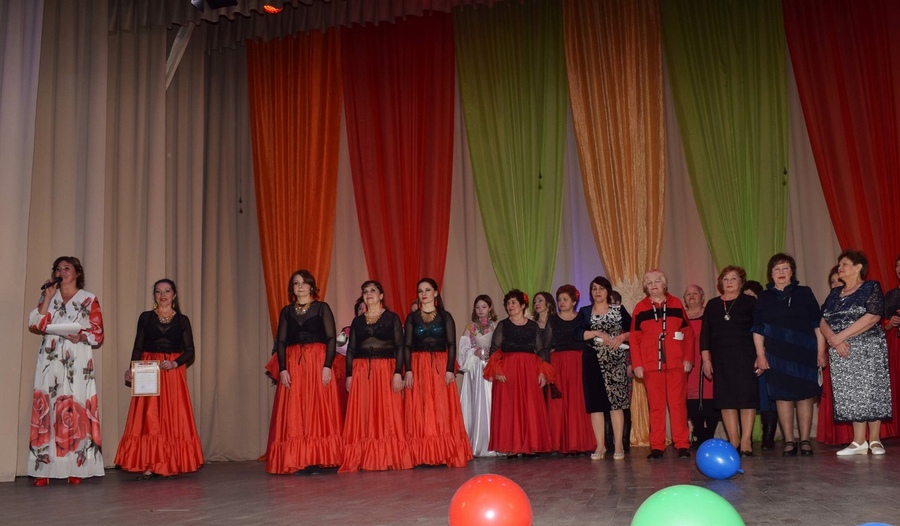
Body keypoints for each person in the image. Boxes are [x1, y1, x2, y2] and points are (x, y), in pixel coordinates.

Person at [28, 256, 105, 486]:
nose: (61, 272)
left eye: (67, 268)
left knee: (74, 407)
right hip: (51, 356)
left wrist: (81, 336)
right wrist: (47, 297)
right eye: (58, 269)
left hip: (77, 356)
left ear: (77, 273)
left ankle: (76, 468)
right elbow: (36, 325)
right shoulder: (49, 296)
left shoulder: (88, 298)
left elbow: (98, 333)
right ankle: (45, 469)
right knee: (49, 407)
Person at [116, 278, 203, 478]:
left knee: (172, 417)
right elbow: (138, 346)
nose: (162, 295)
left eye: (167, 291)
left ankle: (170, 463)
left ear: (174, 295)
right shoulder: (145, 317)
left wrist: (175, 363)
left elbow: (190, 351)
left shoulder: (183, 320)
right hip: (148, 370)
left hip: (172, 373)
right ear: (154, 295)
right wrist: (132, 369)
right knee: (149, 417)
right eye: (158, 291)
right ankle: (149, 464)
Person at [261, 270, 342, 474]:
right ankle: (298, 458)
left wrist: (327, 365)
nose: (300, 286)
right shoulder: (287, 312)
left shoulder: (322, 308)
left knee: (316, 407)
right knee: (296, 410)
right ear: (292, 288)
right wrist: (282, 369)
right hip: (294, 364)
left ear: (311, 286)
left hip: (317, 362)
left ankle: (316, 458)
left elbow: (331, 338)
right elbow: (281, 341)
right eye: (296, 283)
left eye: (304, 282)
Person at [820, 250, 892, 456]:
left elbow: (873, 316)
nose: (840, 267)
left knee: (872, 391)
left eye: (845, 264)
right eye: (839, 264)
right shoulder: (835, 293)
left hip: (868, 349)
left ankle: (875, 440)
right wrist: (833, 339)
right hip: (841, 351)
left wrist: (840, 336)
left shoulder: (871, 287)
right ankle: (858, 441)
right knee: (851, 394)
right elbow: (823, 320)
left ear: (859, 267)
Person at [752, 254, 825, 456]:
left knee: (805, 397)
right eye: (777, 269)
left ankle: (805, 440)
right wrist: (760, 355)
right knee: (782, 398)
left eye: (785, 268)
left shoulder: (805, 292)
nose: (781, 272)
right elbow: (758, 328)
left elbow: (817, 324)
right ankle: (789, 441)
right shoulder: (764, 297)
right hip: (776, 354)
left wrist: (821, 351)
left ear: (792, 272)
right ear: (771, 274)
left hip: (804, 353)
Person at [340, 280, 412, 471]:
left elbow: (400, 347)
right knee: (363, 412)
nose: (369, 293)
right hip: (362, 371)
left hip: (385, 370)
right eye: (365, 291)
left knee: (388, 413)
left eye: (373, 290)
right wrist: (349, 375)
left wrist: (398, 373)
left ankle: (389, 456)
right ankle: (363, 457)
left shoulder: (392, 318)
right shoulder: (357, 321)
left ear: (381, 296)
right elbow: (351, 349)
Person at [402, 278, 472, 467]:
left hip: (440, 365)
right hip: (418, 365)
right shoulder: (412, 318)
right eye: (420, 291)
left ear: (435, 293)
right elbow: (407, 345)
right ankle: (421, 455)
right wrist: (408, 370)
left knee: (441, 407)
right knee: (421, 407)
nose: (423, 293)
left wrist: (450, 369)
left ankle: (444, 452)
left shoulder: (445, 316)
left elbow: (451, 344)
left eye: (427, 290)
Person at [631, 269, 694, 459]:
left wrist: (688, 358)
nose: (653, 285)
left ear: (664, 284)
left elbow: (688, 333)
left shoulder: (676, 304)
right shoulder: (640, 308)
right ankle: (657, 446)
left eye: (657, 281)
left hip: (676, 363)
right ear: (645, 287)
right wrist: (637, 364)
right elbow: (634, 338)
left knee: (678, 406)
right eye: (649, 283)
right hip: (651, 365)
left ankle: (682, 444)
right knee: (656, 407)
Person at [484, 290, 553, 457]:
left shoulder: (533, 326)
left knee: (530, 407)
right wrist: (497, 370)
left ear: (522, 305)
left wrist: (543, 373)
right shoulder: (503, 325)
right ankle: (511, 447)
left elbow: (541, 350)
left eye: (514, 302)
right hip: (509, 370)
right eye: (508, 303)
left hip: (529, 370)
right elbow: (494, 350)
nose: (510, 306)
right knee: (510, 408)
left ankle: (530, 446)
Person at [701, 266, 759, 456]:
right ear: (720, 283)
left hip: (746, 357)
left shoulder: (750, 302)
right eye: (725, 279)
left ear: (741, 282)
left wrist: (761, 355)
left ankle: (746, 440)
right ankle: (733, 440)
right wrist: (706, 360)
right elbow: (705, 334)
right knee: (726, 400)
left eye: (734, 278)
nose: (729, 282)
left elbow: (759, 330)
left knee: (746, 399)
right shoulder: (712, 305)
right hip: (721, 359)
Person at [574, 277, 631, 460]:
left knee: (616, 404)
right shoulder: (585, 312)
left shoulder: (618, 310)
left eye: (601, 288)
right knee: (596, 405)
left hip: (615, 361)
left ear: (608, 291)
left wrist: (621, 338)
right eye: (594, 289)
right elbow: (577, 333)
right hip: (592, 360)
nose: (597, 292)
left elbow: (634, 330)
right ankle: (600, 446)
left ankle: (618, 445)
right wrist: (596, 333)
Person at [547, 285, 596, 455]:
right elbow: (546, 344)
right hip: (558, 363)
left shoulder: (582, 318)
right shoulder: (552, 320)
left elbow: (590, 340)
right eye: (559, 299)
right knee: (559, 404)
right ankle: (561, 444)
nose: (561, 302)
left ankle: (580, 442)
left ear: (574, 301)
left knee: (579, 401)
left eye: (565, 299)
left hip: (578, 362)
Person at [457, 295, 499, 457]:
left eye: (484, 307)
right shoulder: (470, 327)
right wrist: (473, 352)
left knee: (491, 401)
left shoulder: (496, 326)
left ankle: (494, 442)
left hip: (490, 367)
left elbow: (501, 347)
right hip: (475, 368)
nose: (480, 310)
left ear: (490, 308)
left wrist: (492, 355)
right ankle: (476, 442)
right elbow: (463, 350)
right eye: (477, 307)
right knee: (476, 402)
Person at [743, 280, 777, 450]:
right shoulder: (738, 313)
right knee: (745, 399)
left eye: (752, 296)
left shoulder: (765, 312)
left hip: (764, 356)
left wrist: (762, 353)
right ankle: (745, 437)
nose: (748, 300)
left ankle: (768, 437)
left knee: (767, 398)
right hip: (744, 359)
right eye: (745, 296)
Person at [683, 284, 718, 448]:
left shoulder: (710, 314)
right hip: (688, 363)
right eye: (688, 294)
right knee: (691, 401)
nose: (691, 296)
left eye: (695, 293)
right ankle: (699, 433)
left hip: (708, 360)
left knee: (711, 398)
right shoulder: (681, 317)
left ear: (702, 298)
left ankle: (709, 434)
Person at [334, 297, 365, 420]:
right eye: (360, 308)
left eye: (366, 307)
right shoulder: (347, 330)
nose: (363, 311)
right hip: (350, 370)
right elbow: (337, 346)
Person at [882, 255, 900, 439]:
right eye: (898, 265)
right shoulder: (890, 295)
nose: (899, 269)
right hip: (895, 342)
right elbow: (880, 323)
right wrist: (889, 324)